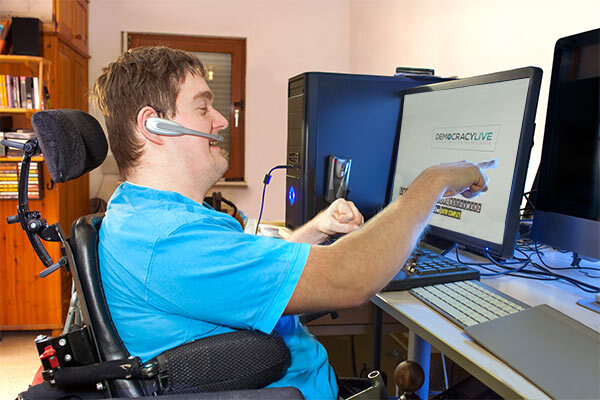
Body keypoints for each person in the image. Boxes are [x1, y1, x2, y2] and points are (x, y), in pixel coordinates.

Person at [92, 46, 493, 399]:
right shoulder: (170, 240)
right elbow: (351, 278)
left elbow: (243, 278)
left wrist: (318, 228)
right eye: (203, 107)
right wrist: (432, 183)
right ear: (153, 125)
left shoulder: (141, 213)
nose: (221, 120)